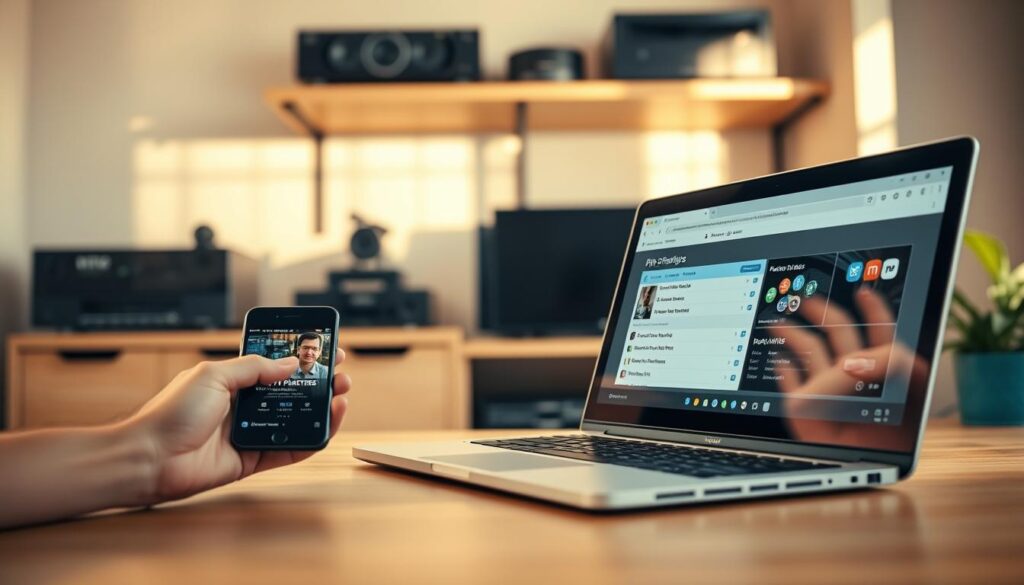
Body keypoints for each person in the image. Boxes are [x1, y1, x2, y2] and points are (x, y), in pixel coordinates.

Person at [0, 350, 351, 530]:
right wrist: (150, 455)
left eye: (314, 349)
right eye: (304, 348)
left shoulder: (318, 374)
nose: (308, 354)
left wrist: (153, 458)